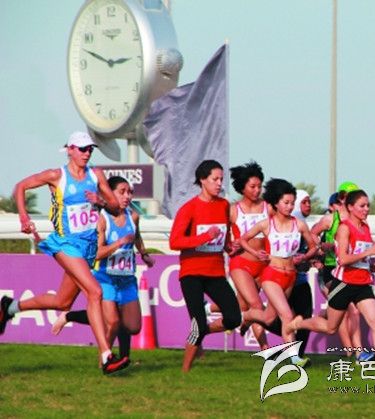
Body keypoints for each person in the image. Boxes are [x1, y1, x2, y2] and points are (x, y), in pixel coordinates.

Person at [0, 132, 128, 374]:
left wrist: (100, 201)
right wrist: (24, 217)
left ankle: (9, 307)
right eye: (82, 149)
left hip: (88, 247)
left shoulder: (96, 175)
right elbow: (21, 186)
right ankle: (106, 356)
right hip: (65, 245)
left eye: (90, 149)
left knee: (63, 302)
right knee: (95, 292)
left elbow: (115, 207)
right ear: (69, 150)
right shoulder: (56, 176)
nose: (87, 153)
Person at [286, 190, 375, 376]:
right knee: (330, 328)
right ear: (350, 207)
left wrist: (370, 264)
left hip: (362, 284)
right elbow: (343, 259)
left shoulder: (365, 227)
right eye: (362, 206)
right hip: (344, 283)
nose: (366, 209)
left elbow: (360, 255)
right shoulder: (344, 228)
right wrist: (368, 252)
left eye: (368, 205)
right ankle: (297, 324)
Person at [51, 176, 155, 362]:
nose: (127, 196)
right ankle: (108, 360)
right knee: (112, 321)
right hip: (105, 278)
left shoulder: (133, 216)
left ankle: (71, 317)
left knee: (133, 327)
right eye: (122, 192)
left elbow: (136, 236)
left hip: (126, 279)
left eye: (129, 192)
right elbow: (96, 254)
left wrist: (144, 253)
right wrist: (119, 243)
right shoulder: (102, 219)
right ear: (109, 195)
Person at [169, 160, 241, 372]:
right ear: (202, 180)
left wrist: (230, 247)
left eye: (221, 179)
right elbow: (175, 242)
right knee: (197, 324)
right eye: (214, 179)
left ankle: (202, 332)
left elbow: (223, 236)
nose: (219, 184)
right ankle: (185, 372)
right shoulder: (189, 208)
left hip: (216, 272)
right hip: (191, 273)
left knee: (234, 318)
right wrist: (204, 237)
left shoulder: (223, 205)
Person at [240, 179, 317, 347]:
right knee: (287, 316)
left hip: (290, 276)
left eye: (292, 203)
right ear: (276, 202)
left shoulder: (300, 225)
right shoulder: (266, 224)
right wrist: (256, 253)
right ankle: (294, 357)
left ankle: (247, 316)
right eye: (286, 203)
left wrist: (304, 257)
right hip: (271, 275)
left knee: (269, 318)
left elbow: (313, 247)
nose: (290, 207)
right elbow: (243, 240)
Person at [312, 181, 374, 362]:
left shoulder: (361, 222)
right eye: (348, 196)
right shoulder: (331, 219)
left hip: (350, 270)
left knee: (348, 312)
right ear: (342, 199)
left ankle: (357, 351)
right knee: (349, 311)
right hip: (331, 270)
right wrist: (320, 249)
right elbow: (312, 234)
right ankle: (353, 351)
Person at [228, 161, 269, 350]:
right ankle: (266, 350)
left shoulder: (269, 208)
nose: (257, 190)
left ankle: (242, 321)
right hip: (241, 263)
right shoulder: (233, 210)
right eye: (252, 187)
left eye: (259, 186)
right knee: (257, 306)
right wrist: (229, 246)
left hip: (264, 264)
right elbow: (223, 238)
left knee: (243, 307)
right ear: (242, 187)